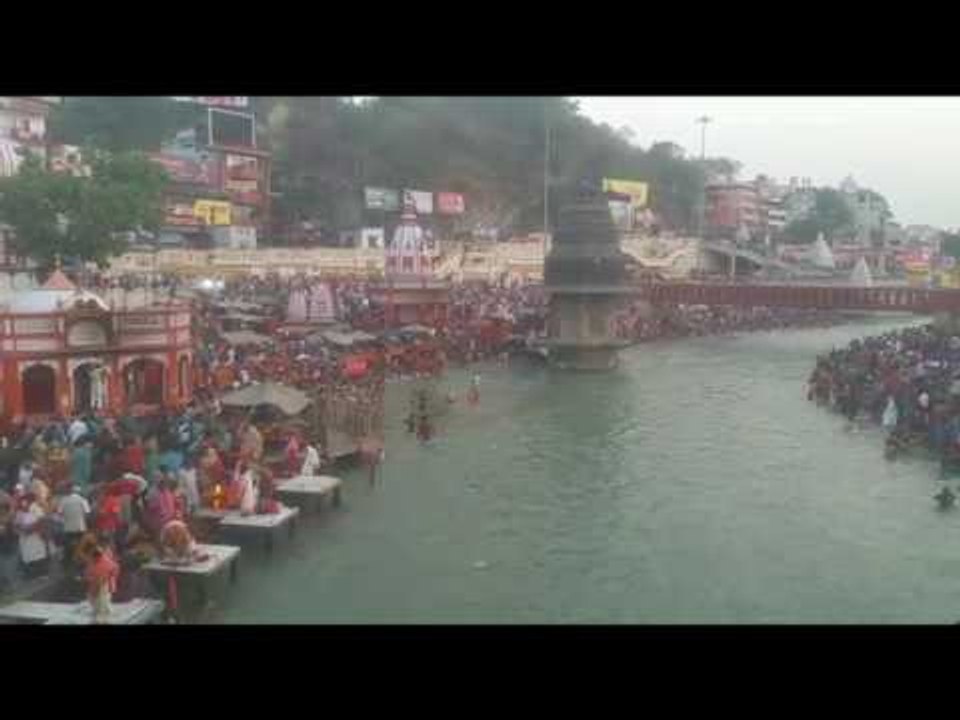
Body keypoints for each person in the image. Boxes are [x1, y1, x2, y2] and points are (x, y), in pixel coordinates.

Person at [54, 484, 90, 575]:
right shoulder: (82, 500)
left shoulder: (64, 500)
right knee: (83, 547)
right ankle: (83, 566)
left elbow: (59, 514)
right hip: (81, 527)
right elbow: (87, 514)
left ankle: (68, 568)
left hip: (68, 529)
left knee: (68, 549)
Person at [14, 494, 49, 580]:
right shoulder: (19, 513)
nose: (24, 503)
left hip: (36, 537)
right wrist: (21, 529)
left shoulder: (36, 509)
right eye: (22, 502)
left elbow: (41, 521)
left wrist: (31, 528)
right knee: (28, 556)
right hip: (25, 538)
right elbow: (16, 524)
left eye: (25, 501)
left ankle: (42, 573)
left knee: (39, 555)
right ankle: (30, 574)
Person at [85, 543, 119, 624]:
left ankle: (102, 616)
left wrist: (108, 577)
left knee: (103, 599)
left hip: (105, 583)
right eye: (94, 556)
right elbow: (88, 573)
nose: (95, 558)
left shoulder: (107, 561)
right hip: (94, 582)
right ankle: (99, 611)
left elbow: (115, 568)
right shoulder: (91, 562)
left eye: (97, 556)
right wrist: (90, 579)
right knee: (92, 598)